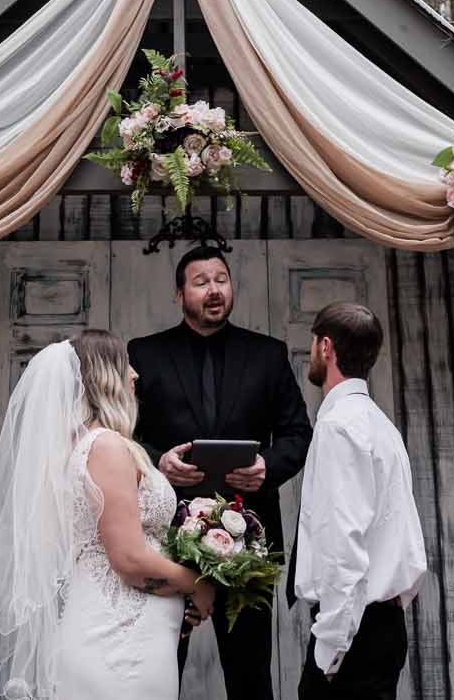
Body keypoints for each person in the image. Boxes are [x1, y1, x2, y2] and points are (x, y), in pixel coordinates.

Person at [0, 328, 216, 698]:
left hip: (132, 634)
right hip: (118, 644)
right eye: (126, 365)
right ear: (104, 377)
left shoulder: (86, 444)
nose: (135, 375)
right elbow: (128, 559)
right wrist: (197, 583)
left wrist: (177, 591)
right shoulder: (106, 447)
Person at [131, 245, 314, 700]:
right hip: (167, 542)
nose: (214, 290)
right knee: (159, 673)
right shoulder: (145, 354)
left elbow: (298, 434)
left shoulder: (269, 355)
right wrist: (157, 461)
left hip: (250, 542)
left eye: (221, 279)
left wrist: (267, 466)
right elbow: (121, 434)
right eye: (201, 282)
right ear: (179, 294)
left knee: (250, 679)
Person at [289, 301, 425, 700]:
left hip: (354, 638)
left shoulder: (338, 427)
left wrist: (332, 650)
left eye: (314, 342)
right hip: (381, 625)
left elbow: (343, 544)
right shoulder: (381, 426)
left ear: (326, 347)